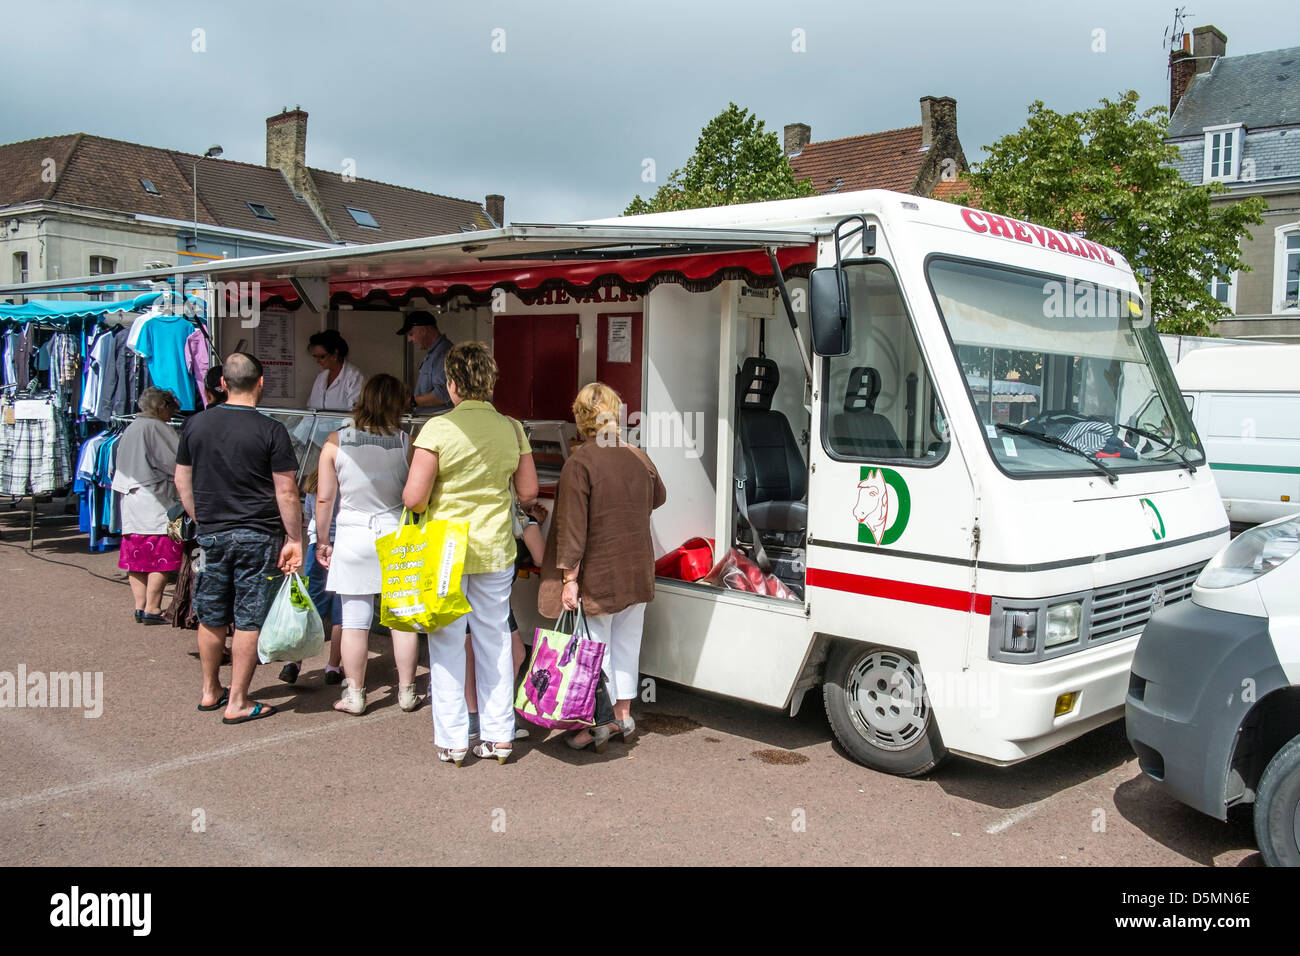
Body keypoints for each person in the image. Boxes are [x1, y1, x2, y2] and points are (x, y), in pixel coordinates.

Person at [402, 342, 538, 765]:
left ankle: (454, 740)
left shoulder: (437, 430)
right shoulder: (513, 428)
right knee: (494, 638)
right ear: (491, 383)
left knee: (445, 641)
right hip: (496, 548)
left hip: (445, 552)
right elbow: (529, 492)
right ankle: (499, 737)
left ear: (453, 384)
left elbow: (414, 497)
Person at [174, 352, 303, 725]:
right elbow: (287, 492)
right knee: (248, 619)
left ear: (223, 384)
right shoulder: (271, 430)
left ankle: (210, 690)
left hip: (212, 534)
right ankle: (239, 700)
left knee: (212, 614)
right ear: (261, 383)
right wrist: (295, 537)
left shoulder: (195, 425)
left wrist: (203, 518)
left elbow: (182, 480)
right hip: (259, 534)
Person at [540, 382, 666, 752]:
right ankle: (623, 715)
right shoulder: (636, 455)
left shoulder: (580, 463)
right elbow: (659, 497)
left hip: (599, 574)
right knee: (627, 644)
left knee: (596, 649)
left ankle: (598, 723)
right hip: (637, 568)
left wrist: (569, 579)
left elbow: (573, 528)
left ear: (580, 418)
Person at [315, 374, 421, 715]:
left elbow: (324, 499)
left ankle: (356, 694)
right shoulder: (406, 441)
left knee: (355, 620)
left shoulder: (336, 440)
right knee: (402, 620)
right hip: (395, 534)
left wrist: (322, 539)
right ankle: (407, 692)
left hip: (353, 534)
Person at [112, 387, 183, 624]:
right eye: (171, 409)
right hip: (154, 497)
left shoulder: (132, 428)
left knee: (137, 555)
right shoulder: (156, 428)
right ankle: (153, 607)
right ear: (162, 407)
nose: (172, 416)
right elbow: (174, 462)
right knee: (161, 552)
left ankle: (140, 605)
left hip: (131, 497)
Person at [277, 469, 344, 686]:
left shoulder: (314, 480)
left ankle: (293, 662)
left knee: (311, 605)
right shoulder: (346, 481)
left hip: (317, 548)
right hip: (342, 546)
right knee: (341, 612)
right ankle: (333, 667)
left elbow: (308, 515)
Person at [398, 311, 453, 410]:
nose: (409, 340)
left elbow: (442, 394)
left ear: (423, 330)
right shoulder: (434, 353)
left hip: (435, 421)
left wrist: (410, 402)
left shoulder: (443, 354)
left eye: (411, 334)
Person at [306, 330, 364, 411]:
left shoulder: (355, 377)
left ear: (335, 354)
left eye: (322, 357)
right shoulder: (321, 377)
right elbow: (311, 408)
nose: (317, 361)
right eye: (315, 356)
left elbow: (355, 412)